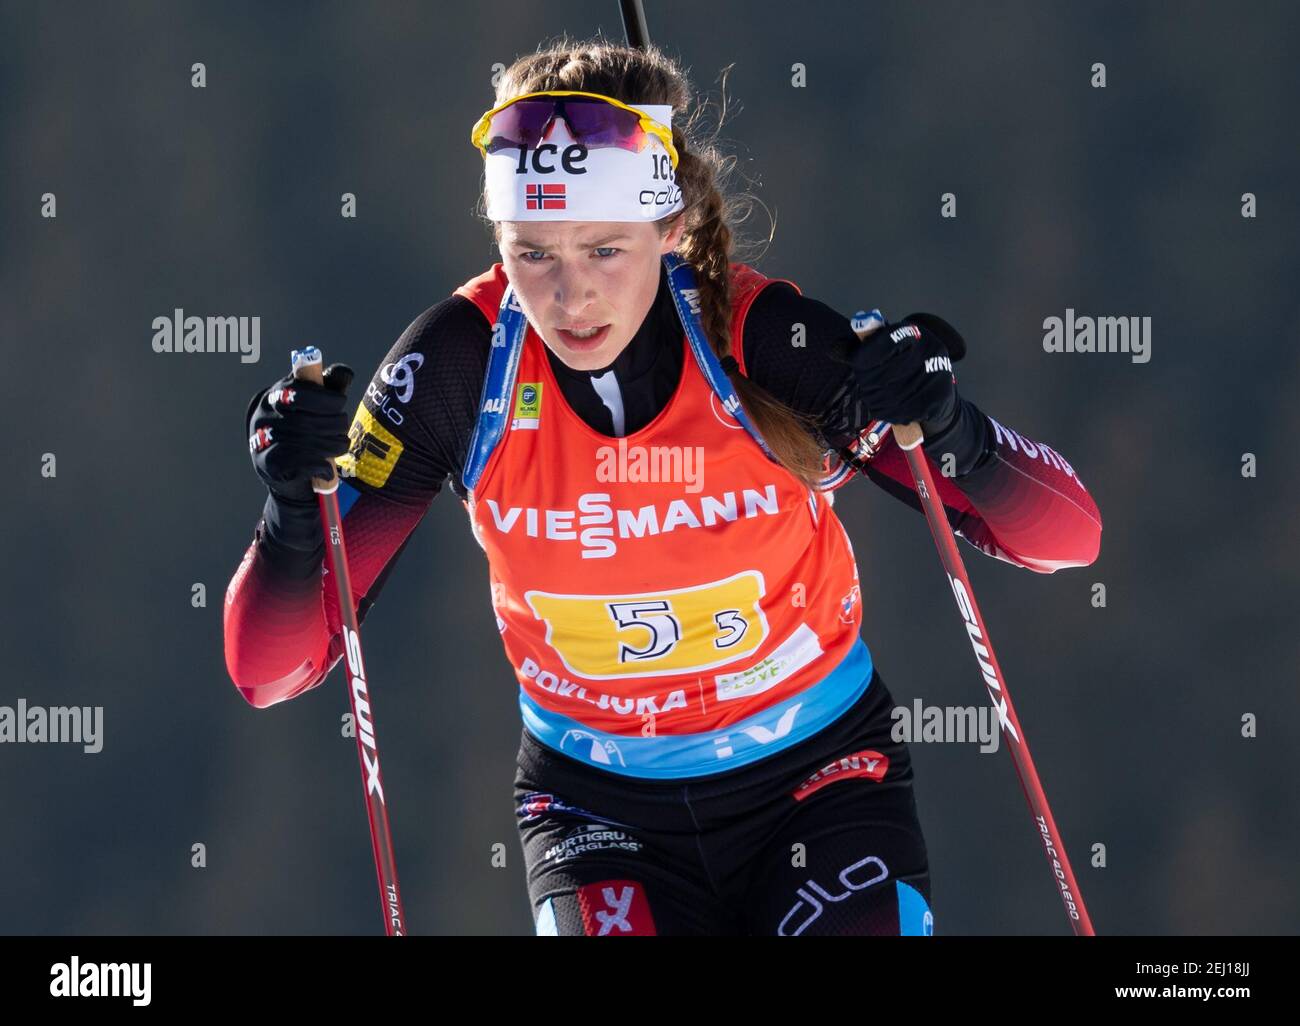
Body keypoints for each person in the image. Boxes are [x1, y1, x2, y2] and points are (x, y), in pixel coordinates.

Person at [223, 39, 1102, 936]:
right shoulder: (459, 363)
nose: (570, 297)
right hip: (597, 814)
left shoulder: (761, 341)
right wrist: (294, 508)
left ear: (669, 227)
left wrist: (953, 429)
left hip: (818, 782)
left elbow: (1067, 540)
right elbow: (272, 669)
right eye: (533, 254)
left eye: (604, 249)